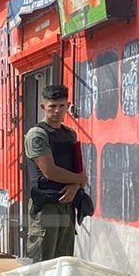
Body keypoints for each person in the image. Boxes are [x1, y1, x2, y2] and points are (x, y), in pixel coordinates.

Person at [24, 84, 89, 262]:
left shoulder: (70, 134)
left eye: (62, 105)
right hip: (47, 206)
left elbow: (77, 167)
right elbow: (50, 171)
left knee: (64, 262)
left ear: (68, 106)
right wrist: (80, 180)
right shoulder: (37, 134)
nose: (57, 110)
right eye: (52, 106)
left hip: (67, 205)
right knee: (42, 263)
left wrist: (75, 185)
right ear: (43, 107)